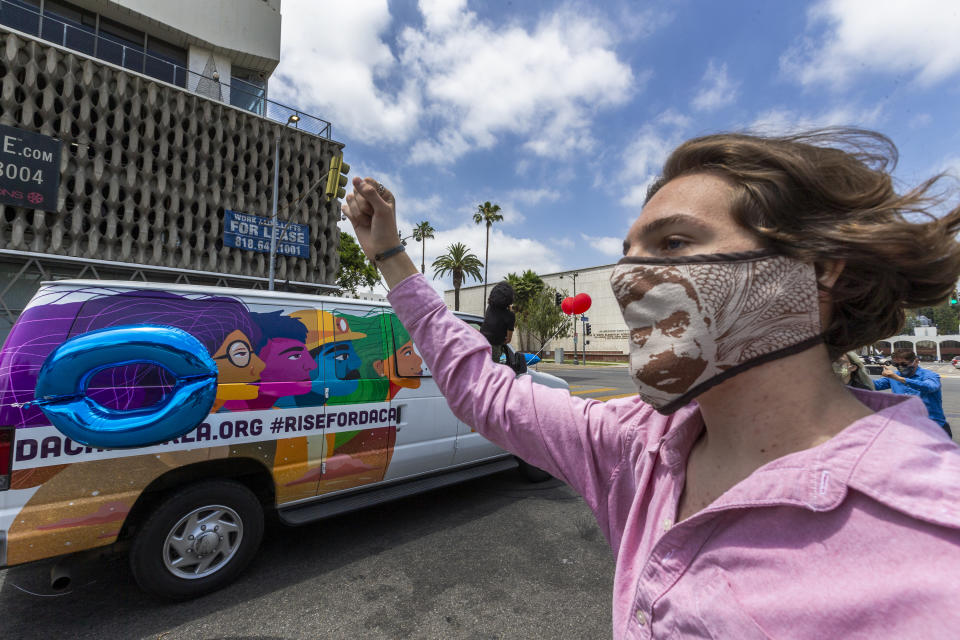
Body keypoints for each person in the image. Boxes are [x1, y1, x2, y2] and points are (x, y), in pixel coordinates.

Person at [342, 128, 960, 638]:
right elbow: (484, 389)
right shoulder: (636, 448)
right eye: (628, 252)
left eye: (674, 241)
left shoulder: (932, 541)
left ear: (818, 272)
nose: (627, 278)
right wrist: (390, 254)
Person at [875, 348, 951, 437]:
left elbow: (930, 387)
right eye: (896, 364)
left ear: (916, 361)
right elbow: (874, 385)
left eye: (904, 364)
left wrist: (900, 379)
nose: (900, 367)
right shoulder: (894, 376)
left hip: (933, 428)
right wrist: (857, 373)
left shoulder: (929, 375)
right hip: (907, 428)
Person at [478, 281, 515, 362]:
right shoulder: (510, 315)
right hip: (494, 348)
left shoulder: (490, 308)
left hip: (480, 343)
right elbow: (508, 340)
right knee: (490, 372)